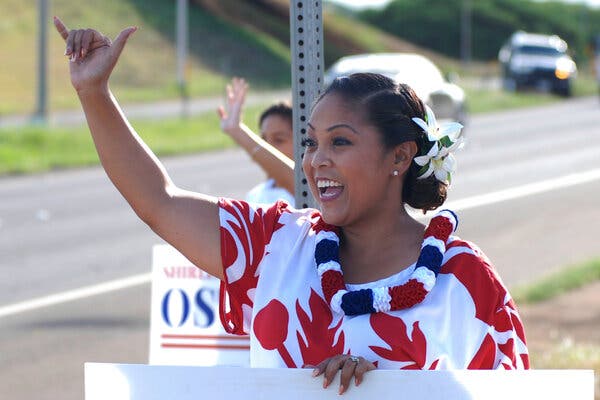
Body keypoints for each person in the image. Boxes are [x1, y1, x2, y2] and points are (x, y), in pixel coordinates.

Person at [54, 18, 529, 396]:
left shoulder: (465, 280)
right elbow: (159, 201)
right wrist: (94, 94)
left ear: (400, 156)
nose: (316, 160)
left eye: (340, 142)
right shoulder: (273, 245)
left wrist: (386, 387)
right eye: (310, 142)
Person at [217, 78, 295, 204]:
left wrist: (237, 131)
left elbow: (295, 181)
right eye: (263, 140)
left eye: (279, 140)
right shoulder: (255, 195)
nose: (267, 146)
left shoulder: (308, 190)